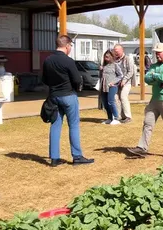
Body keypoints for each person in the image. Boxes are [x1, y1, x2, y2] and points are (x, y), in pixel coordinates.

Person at [42, 35, 93, 167]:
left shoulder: (48, 60)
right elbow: (77, 79)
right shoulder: (68, 61)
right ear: (67, 46)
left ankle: (54, 158)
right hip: (68, 95)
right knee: (74, 125)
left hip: (54, 96)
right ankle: (77, 156)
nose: (70, 48)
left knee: (55, 125)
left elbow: (44, 80)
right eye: (70, 46)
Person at [127, 43, 163, 160]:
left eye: (159, 52)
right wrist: (156, 77)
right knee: (147, 123)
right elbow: (146, 79)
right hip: (154, 99)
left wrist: (154, 76)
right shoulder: (154, 65)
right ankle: (142, 148)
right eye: (156, 52)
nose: (157, 55)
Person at [99, 50, 123, 125]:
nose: (106, 58)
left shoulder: (115, 65)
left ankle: (116, 117)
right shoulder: (104, 66)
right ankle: (109, 118)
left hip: (112, 86)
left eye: (108, 57)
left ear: (112, 57)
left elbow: (120, 75)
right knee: (105, 103)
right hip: (103, 86)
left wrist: (114, 82)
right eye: (105, 57)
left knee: (110, 101)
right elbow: (100, 76)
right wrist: (100, 70)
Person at [113, 44, 135, 124]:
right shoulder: (114, 60)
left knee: (123, 96)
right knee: (116, 98)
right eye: (115, 51)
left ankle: (128, 116)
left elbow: (131, 71)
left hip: (126, 82)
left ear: (122, 50)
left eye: (117, 51)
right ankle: (119, 116)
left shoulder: (128, 59)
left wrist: (124, 80)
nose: (116, 53)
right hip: (116, 82)